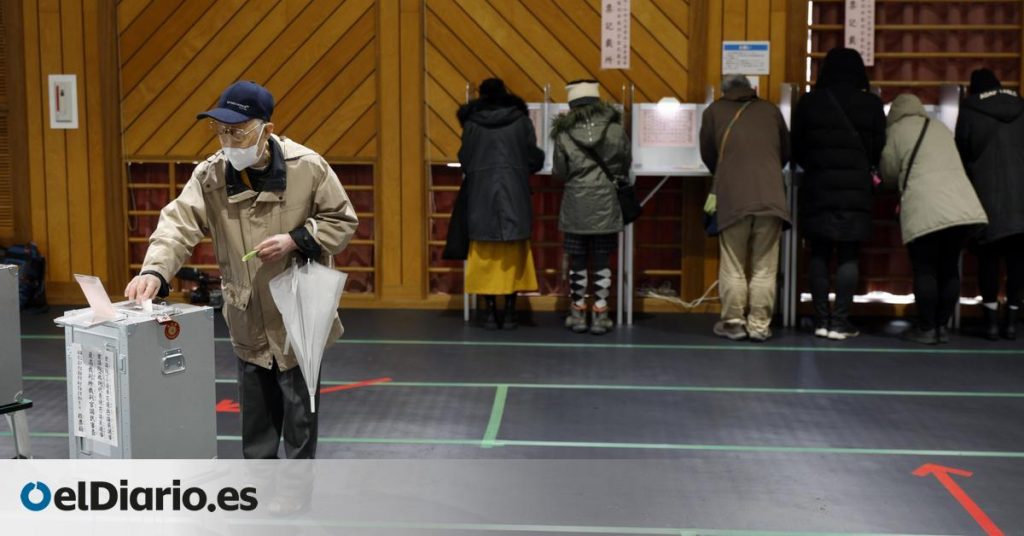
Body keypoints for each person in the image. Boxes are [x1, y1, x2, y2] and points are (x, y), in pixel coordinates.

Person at [125, 81, 358, 458]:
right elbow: (177, 227)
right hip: (247, 316)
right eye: (221, 130)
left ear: (266, 129)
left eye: (238, 131)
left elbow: (342, 220)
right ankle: (259, 489)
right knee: (256, 430)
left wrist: (296, 239)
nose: (228, 141)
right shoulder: (210, 176)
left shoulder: (308, 167)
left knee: (301, 426)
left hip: (298, 316)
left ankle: (300, 488)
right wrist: (154, 271)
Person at [792, 47, 886, 340]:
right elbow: (879, 149)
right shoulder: (871, 104)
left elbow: (797, 148)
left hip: (818, 187)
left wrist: (817, 166)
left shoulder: (810, 102)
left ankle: (821, 320)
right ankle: (840, 322)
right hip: (855, 190)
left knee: (819, 253)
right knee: (848, 254)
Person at [880, 94, 988, 344]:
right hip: (959, 207)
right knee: (949, 267)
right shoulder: (939, 127)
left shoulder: (896, 131)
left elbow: (888, 174)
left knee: (925, 268)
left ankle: (927, 328)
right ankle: (941, 327)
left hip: (925, 206)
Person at [700, 75, 791, 342]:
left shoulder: (713, 111)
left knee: (733, 264)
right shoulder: (771, 110)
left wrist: (727, 171)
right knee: (765, 267)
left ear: (724, 91)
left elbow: (708, 154)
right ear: (751, 89)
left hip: (733, 197)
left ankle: (733, 323)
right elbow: (785, 152)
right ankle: (759, 326)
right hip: (770, 197)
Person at [457, 78, 544, 330]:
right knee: (512, 256)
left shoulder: (472, 124)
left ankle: (489, 312)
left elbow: (464, 159)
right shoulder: (521, 121)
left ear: (481, 96)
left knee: (484, 255)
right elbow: (534, 159)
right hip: (514, 195)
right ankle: (510, 312)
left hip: (481, 197)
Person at [550, 80, 631, 335]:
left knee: (578, 258)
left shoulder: (564, 133)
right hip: (606, 200)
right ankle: (600, 313)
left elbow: (559, 171)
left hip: (576, 201)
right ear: (598, 102)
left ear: (572, 105)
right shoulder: (616, 130)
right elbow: (625, 164)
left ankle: (577, 314)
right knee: (602, 257)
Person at [955, 69, 1024, 340]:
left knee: (989, 259)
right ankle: (1012, 322)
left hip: (986, 196)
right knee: (1018, 261)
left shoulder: (970, 110)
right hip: (1021, 199)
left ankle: (991, 323)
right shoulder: (1021, 106)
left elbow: (961, 153)